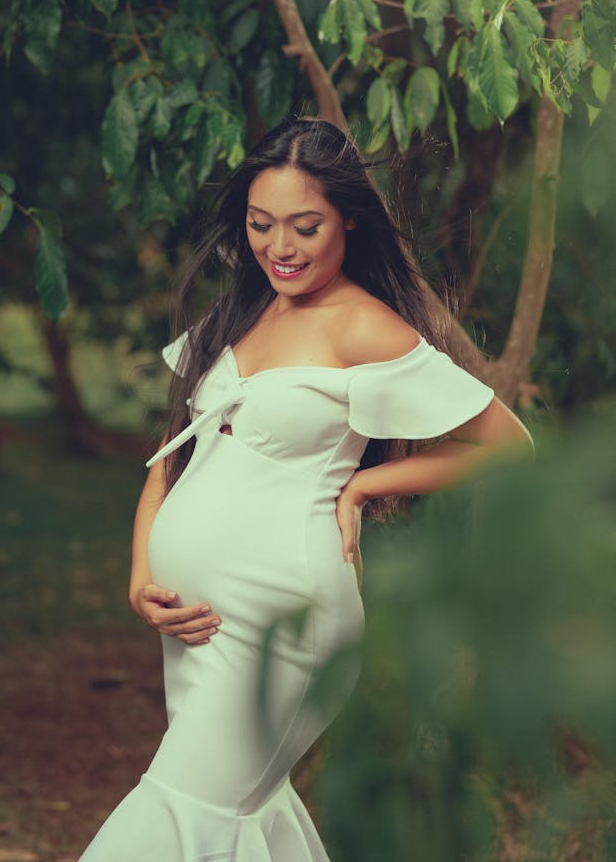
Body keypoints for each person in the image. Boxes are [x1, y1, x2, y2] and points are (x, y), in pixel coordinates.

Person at [78, 119, 532, 861]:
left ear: (348, 217)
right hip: (196, 622)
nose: (279, 248)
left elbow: (508, 444)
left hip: (282, 616)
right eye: (261, 225)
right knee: (228, 820)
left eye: (304, 226)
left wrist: (365, 484)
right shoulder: (242, 309)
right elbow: (170, 459)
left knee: (179, 812)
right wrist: (139, 578)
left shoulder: (362, 326)